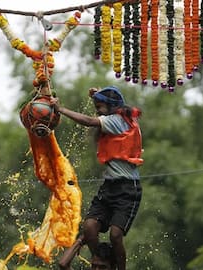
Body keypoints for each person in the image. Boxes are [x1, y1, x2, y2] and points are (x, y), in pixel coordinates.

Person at [53, 86, 143, 270]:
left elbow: (88, 121)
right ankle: (100, 261)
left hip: (127, 189)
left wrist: (60, 109)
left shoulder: (117, 121)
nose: (97, 112)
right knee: (89, 227)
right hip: (109, 187)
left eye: (100, 107)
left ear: (112, 107)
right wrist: (98, 94)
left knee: (116, 235)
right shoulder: (119, 116)